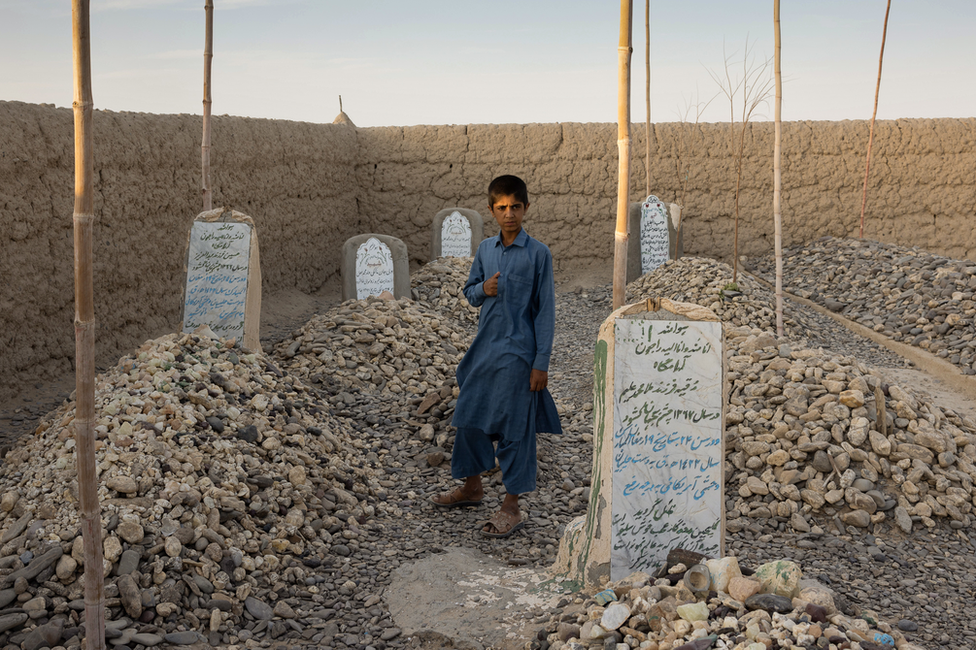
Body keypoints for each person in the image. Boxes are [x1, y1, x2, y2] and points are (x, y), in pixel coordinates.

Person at [430, 174, 562, 538]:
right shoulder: (486, 250)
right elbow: (469, 292)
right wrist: (483, 289)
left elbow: (545, 311)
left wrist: (541, 363)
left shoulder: (538, 254)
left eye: (515, 207)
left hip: (519, 355)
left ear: (526, 208)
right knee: (469, 417)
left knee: (515, 428)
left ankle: (512, 506)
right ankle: (472, 488)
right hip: (484, 351)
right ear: (491, 210)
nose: (509, 214)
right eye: (501, 208)